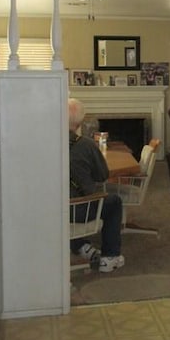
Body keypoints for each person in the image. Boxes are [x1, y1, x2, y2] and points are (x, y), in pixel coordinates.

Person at [68, 98, 125, 273]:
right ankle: (109, 256)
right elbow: (102, 175)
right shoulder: (86, 144)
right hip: (79, 210)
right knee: (114, 202)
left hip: (51, 208)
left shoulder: (45, 144)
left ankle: (80, 245)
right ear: (79, 122)